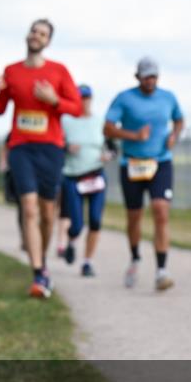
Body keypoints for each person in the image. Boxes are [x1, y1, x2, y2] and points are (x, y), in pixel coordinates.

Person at [0, 19, 82, 298]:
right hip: (21, 148)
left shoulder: (59, 71)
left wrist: (54, 101)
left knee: (47, 213)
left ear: (48, 41)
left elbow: (76, 108)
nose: (36, 36)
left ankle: (43, 262)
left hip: (50, 148)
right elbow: (0, 108)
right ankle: (38, 274)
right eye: (34, 31)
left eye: (42, 33)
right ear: (28, 36)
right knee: (29, 209)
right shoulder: (12, 71)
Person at [104, 57, 184, 291]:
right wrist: (133, 136)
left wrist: (174, 136)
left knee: (160, 210)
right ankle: (135, 258)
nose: (150, 80)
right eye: (146, 76)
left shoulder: (168, 97)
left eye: (154, 76)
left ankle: (162, 270)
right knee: (134, 216)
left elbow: (179, 120)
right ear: (137, 77)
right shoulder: (124, 98)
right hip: (132, 163)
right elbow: (107, 128)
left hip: (160, 162)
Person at [59, 85, 113, 277]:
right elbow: (55, 143)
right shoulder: (65, 121)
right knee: (77, 224)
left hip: (96, 175)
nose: (83, 101)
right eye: (80, 97)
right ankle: (72, 241)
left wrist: (108, 155)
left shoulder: (99, 122)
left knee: (96, 220)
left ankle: (87, 262)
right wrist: (66, 147)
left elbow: (112, 147)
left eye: (86, 97)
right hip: (73, 177)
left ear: (91, 99)